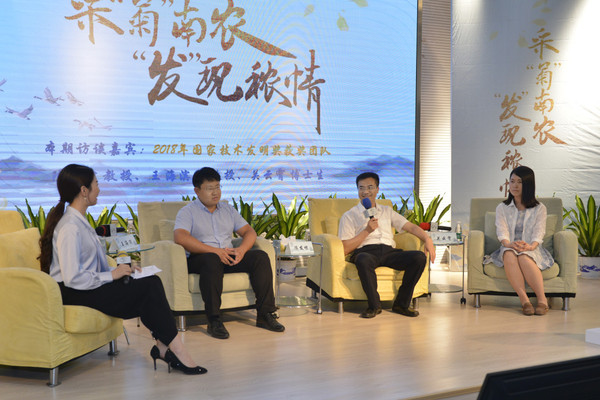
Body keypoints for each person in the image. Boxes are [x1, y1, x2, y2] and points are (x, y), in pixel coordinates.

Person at [39, 164, 206, 375]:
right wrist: (111, 275)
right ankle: (176, 350)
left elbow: (90, 266)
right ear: (84, 190)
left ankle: (164, 347)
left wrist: (122, 269)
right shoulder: (70, 227)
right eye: (96, 184)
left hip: (85, 286)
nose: (99, 189)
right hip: (73, 292)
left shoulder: (80, 221)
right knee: (147, 288)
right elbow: (72, 277)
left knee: (151, 281)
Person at [174, 167, 284, 339]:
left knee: (260, 257)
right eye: (210, 188)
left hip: (227, 255)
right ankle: (214, 320)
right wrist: (215, 251)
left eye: (217, 187)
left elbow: (249, 232)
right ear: (197, 191)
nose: (215, 192)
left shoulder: (228, 209)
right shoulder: (188, 212)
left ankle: (265, 314)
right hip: (201, 258)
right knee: (211, 259)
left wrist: (241, 250)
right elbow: (180, 237)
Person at [339, 172, 436, 318]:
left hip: (389, 252)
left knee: (419, 257)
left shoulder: (386, 211)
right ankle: (374, 306)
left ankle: (401, 304)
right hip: (366, 252)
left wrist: (427, 239)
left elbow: (410, 227)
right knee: (363, 259)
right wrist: (367, 231)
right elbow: (345, 248)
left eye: (370, 187)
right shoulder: (349, 215)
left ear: (377, 189)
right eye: (361, 188)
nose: (365, 192)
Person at [484, 166, 553, 316]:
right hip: (509, 246)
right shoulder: (502, 207)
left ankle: (542, 300)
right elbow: (501, 230)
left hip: (531, 247)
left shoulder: (539, 208)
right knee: (509, 254)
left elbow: (539, 231)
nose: (514, 185)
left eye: (519, 182)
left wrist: (531, 246)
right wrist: (508, 244)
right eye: (512, 181)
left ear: (528, 184)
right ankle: (524, 301)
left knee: (523, 257)